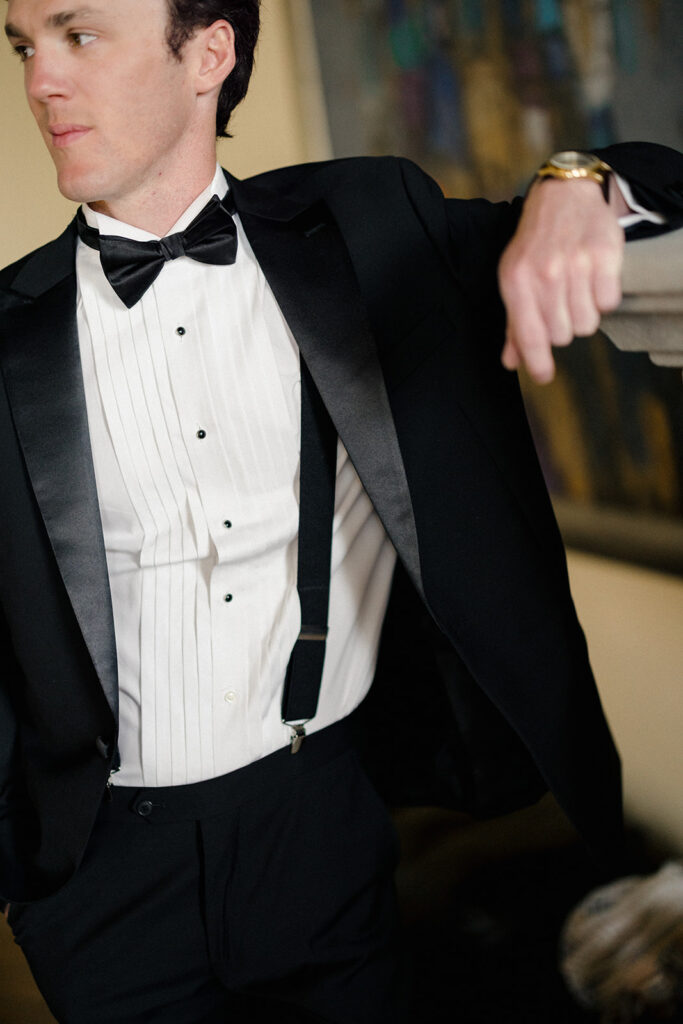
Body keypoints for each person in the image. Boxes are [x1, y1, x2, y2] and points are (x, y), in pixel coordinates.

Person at [1, 1, 682, 1021]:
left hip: (325, 819)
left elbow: (655, 177)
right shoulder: (7, 333)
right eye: (24, 47)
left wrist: (576, 184)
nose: (40, 81)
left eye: (79, 35)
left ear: (209, 53)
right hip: (102, 880)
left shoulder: (374, 226)